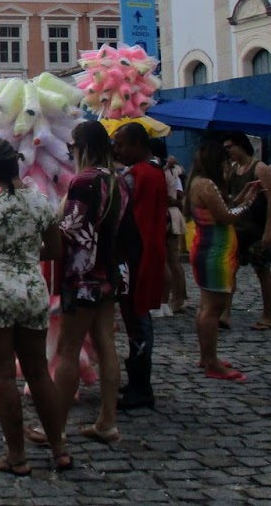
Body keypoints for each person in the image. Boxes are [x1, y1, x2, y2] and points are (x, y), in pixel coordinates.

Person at [0, 138, 70, 475]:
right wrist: (23, 255)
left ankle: (17, 456)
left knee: (3, 376)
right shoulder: (41, 201)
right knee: (39, 372)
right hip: (31, 289)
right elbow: (54, 249)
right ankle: (59, 449)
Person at [54, 121, 137, 444]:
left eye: (73, 147)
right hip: (109, 271)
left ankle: (55, 428)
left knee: (68, 349)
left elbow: (71, 231)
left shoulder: (84, 181)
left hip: (82, 274)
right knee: (106, 345)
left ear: (82, 147)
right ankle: (107, 420)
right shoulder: (118, 179)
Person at [188, 136, 260, 382]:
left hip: (208, 249)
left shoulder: (198, 183)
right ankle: (212, 362)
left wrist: (242, 194)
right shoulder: (207, 185)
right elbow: (227, 216)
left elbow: (223, 205)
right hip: (214, 252)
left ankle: (206, 356)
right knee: (212, 309)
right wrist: (249, 202)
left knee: (205, 307)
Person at [111, 122, 168, 411]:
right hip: (149, 249)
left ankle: (141, 385)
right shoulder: (155, 171)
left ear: (136, 144)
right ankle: (137, 381)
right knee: (138, 315)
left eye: (120, 144)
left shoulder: (134, 176)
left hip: (135, 254)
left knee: (137, 319)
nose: (117, 149)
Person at [222, 132, 271, 331]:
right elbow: (232, 199)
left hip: (256, 227)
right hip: (237, 228)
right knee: (230, 271)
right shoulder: (234, 169)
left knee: (262, 270)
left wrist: (269, 230)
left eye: (230, 147)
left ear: (240, 146)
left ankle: (267, 315)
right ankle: (225, 313)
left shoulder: (260, 168)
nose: (228, 151)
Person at [162, 152, 189, 314]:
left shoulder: (165, 172)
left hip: (168, 215)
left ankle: (177, 298)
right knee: (174, 260)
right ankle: (180, 296)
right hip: (173, 214)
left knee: (171, 259)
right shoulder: (174, 171)